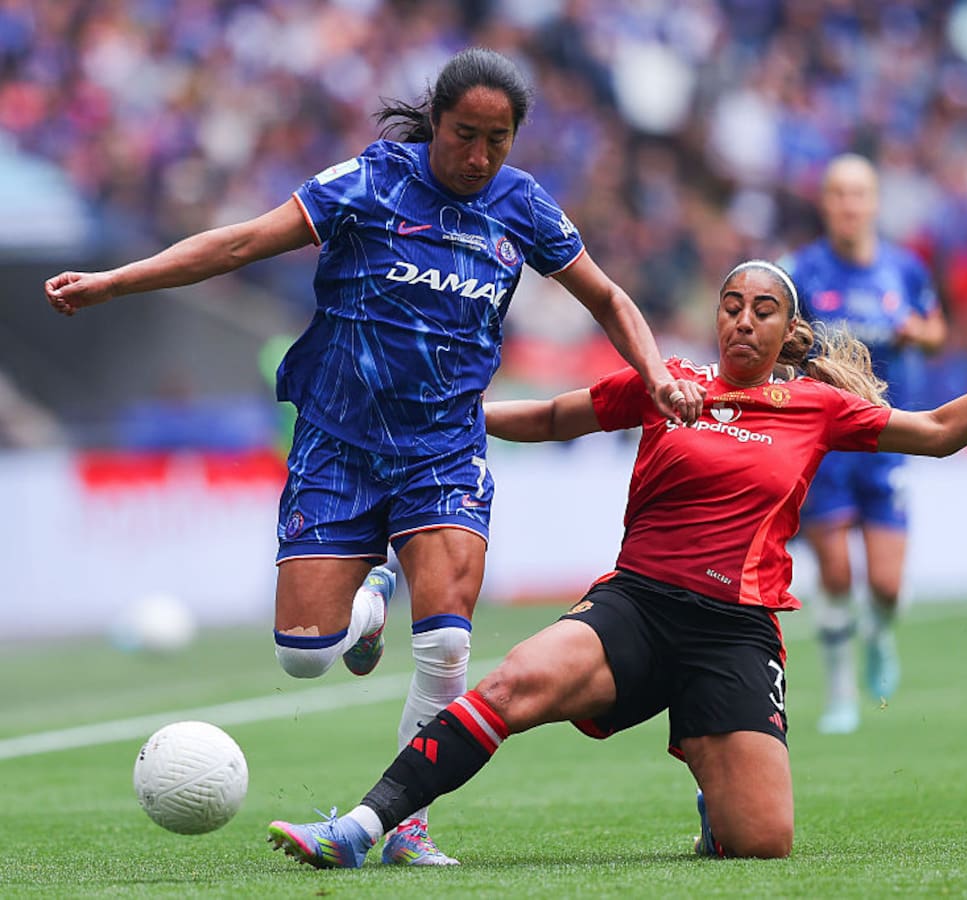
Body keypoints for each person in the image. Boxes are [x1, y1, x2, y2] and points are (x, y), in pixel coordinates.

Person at [43, 46, 704, 866]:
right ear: (437, 122)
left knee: (449, 645)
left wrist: (655, 373)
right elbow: (244, 243)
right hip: (338, 444)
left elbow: (607, 296)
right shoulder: (369, 182)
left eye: (498, 140)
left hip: (444, 449)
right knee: (304, 654)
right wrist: (115, 282)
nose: (479, 157)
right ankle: (369, 605)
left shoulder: (522, 205)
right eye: (466, 135)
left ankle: (406, 824)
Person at [264, 259, 967, 865]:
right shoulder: (670, 383)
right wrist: (453, 419)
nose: (742, 320)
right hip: (638, 607)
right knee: (512, 685)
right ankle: (361, 829)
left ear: (788, 332)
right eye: (731, 304)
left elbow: (941, 432)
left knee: (762, 843)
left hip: (737, 634)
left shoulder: (816, 407)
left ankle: (710, 769)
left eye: (762, 310)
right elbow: (555, 416)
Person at [777, 153, 948, 734]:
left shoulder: (905, 269)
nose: (849, 205)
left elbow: (936, 330)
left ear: (873, 203)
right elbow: (779, 336)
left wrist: (917, 332)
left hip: (887, 436)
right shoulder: (800, 271)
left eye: (859, 194)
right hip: (826, 443)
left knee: (886, 585)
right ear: (825, 203)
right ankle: (840, 692)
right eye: (838, 194)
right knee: (836, 574)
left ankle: (879, 636)